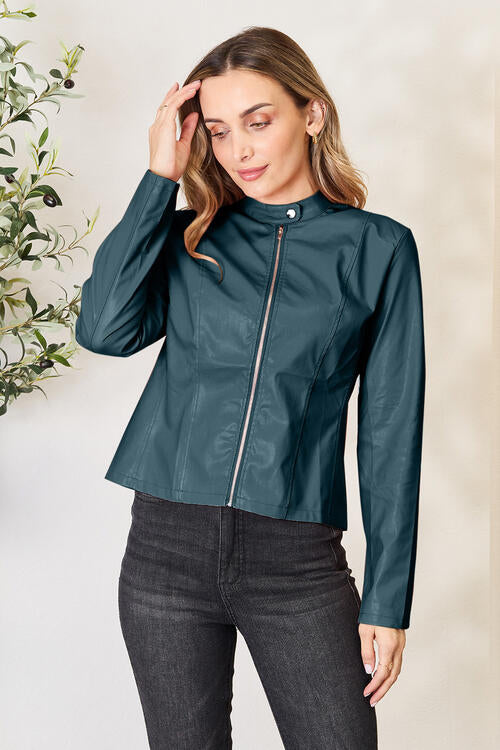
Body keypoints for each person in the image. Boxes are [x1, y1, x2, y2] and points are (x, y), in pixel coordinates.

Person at [75, 26, 425, 750]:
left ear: (312, 114)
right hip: (165, 550)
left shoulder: (378, 248)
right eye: (220, 131)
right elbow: (104, 329)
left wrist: (388, 599)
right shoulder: (189, 238)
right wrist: (158, 178)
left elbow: (391, 430)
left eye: (258, 122)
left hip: (296, 562)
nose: (240, 150)